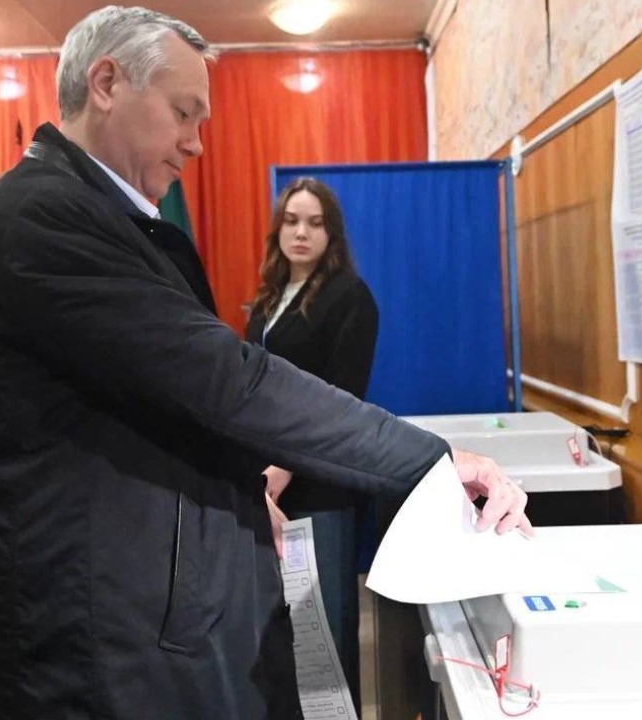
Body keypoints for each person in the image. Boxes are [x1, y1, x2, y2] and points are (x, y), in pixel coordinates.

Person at [0, 6, 532, 720]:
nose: (195, 143)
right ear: (107, 83)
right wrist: (432, 460)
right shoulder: (39, 222)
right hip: (69, 642)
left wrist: (242, 493)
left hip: (113, 614)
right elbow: (229, 383)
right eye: (183, 113)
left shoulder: (94, 217)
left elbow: (166, 400)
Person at [245, 177, 378, 712]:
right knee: (283, 633)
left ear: (331, 234)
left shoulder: (349, 297)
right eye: (292, 221)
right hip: (265, 487)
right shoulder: (268, 299)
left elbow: (341, 400)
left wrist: (284, 467)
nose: (302, 233)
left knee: (323, 635)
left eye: (315, 223)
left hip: (319, 487)